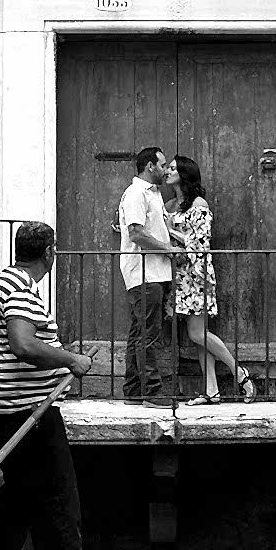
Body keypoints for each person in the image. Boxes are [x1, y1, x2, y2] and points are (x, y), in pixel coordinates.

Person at [0, 222, 114, 550]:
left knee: (18, 500)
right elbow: (24, 344)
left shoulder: (0, 283)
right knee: (61, 502)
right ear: (49, 253)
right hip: (30, 416)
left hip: (5, 409)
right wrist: (72, 360)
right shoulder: (22, 294)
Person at [162, 156, 256, 406]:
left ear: (184, 174)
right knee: (199, 334)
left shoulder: (198, 204)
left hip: (196, 274)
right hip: (178, 275)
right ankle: (212, 390)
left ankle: (239, 373)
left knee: (197, 333)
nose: (168, 171)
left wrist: (170, 234)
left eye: (173, 168)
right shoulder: (169, 204)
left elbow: (201, 242)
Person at [118, 147, 176, 402]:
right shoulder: (136, 194)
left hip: (155, 272)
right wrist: (169, 250)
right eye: (162, 165)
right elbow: (136, 233)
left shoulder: (153, 194)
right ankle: (152, 391)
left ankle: (132, 389)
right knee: (148, 334)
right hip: (145, 273)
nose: (165, 170)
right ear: (150, 166)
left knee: (139, 332)